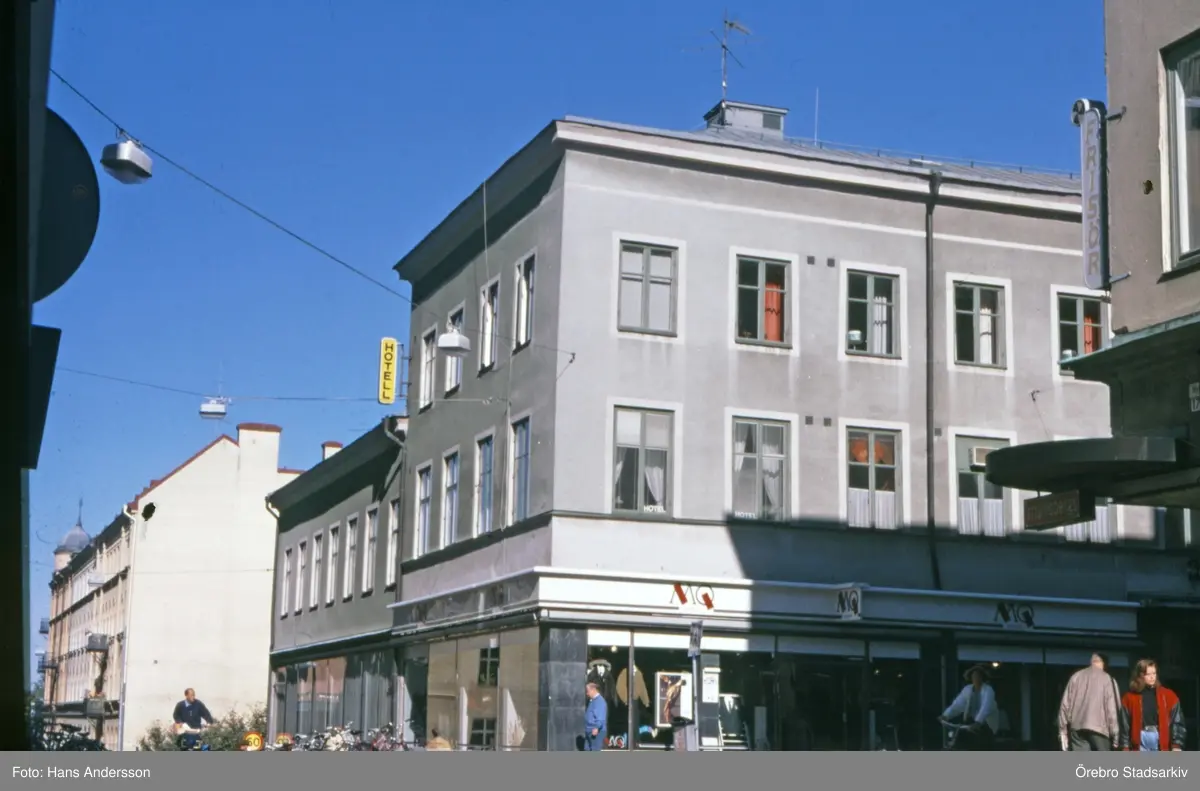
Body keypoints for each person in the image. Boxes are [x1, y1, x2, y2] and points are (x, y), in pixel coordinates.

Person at [1118, 658, 1186, 751]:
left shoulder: (1168, 696)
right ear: (1140, 675)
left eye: (1154, 673)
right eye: (1148, 674)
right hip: (1140, 741)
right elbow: (1124, 725)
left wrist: (1176, 745)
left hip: (1160, 740)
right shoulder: (1129, 698)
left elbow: (1177, 721)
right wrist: (1125, 747)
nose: (1152, 677)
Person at [1058, 652, 1121, 751]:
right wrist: (1115, 735)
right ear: (1105, 664)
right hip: (1100, 730)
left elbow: (1065, 706)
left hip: (1077, 728)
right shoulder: (1108, 679)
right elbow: (1112, 710)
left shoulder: (1076, 677)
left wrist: (1062, 731)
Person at [940, 664, 999, 750]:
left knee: (982, 745)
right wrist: (946, 715)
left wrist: (978, 722)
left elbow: (986, 707)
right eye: (973, 676)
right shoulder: (967, 689)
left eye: (978, 676)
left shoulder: (988, 690)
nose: (975, 678)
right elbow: (958, 704)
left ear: (982, 677)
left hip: (985, 724)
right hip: (969, 724)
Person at [583, 681, 608, 751]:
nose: (587, 694)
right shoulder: (593, 701)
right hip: (589, 730)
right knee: (587, 749)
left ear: (593, 690)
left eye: (588, 691)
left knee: (594, 749)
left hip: (595, 732)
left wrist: (596, 727)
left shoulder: (599, 701)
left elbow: (600, 717)